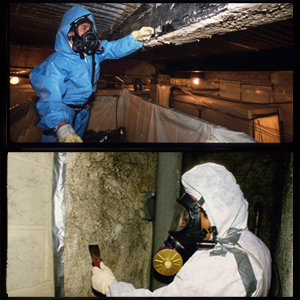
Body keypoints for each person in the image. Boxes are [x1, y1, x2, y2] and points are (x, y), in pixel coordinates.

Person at [91, 163, 272, 297]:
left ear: (216, 214)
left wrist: (110, 286)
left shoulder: (215, 269)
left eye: (189, 216)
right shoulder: (254, 244)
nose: (184, 221)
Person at [30, 6, 153, 142]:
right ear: (70, 32)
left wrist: (134, 39)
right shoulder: (57, 62)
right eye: (84, 28)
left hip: (83, 112)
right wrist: (62, 128)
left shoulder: (91, 54)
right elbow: (50, 99)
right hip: (62, 114)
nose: (89, 33)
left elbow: (113, 48)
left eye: (90, 29)